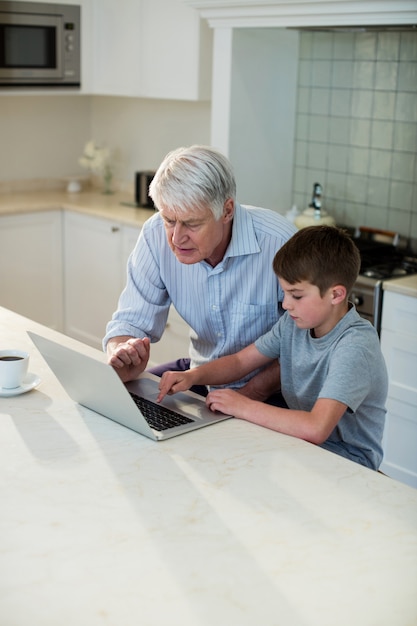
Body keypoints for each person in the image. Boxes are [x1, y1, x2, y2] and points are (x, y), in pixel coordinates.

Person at [157, 225, 388, 470]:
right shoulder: (293, 324)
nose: (286, 304)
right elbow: (240, 362)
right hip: (301, 448)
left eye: (296, 296)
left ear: (336, 295)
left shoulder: (355, 346)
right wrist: (193, 376)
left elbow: (316, 427)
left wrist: (243, 405)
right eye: (284, 293)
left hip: (347, 463)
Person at [104, 145, 296, 400]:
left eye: (192, 224)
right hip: (199, 375)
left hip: (273, 390)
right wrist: (122, 352)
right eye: (169, 220)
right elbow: (130, 322)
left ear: (227, 211)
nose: (176, 237)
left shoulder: (280, 243)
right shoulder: (154, 235)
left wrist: (249, 395)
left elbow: (305, 346)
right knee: (116, 401)